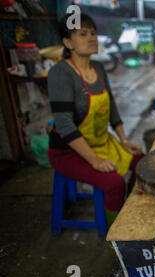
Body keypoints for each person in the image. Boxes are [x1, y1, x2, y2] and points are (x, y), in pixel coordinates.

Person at [48, 13, 145, 227]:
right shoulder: (60, 73)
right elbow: (63, 124)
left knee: (142, 162)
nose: (91, 38)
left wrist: (123, 140)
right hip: (68, 151)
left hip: (101, 143)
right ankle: (116, 231)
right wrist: (94, 160)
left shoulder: (99, 68)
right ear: (67, 42)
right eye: (82, 34)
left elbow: (111, 109)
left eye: (93, 32)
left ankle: (129, 206)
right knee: (113, 182)